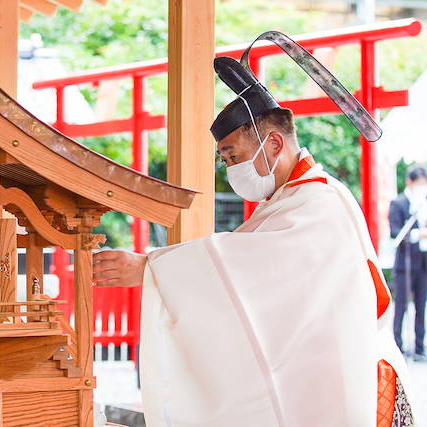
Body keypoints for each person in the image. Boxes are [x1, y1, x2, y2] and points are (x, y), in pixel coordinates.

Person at [93, 32, 413, 426]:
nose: (230, 168)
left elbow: (244, 267)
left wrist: (150, 268)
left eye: (233, 155)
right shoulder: (290, 201)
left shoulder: (318, 204)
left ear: (274, 144)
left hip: (348, 375)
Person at [389, 165, 427, 362]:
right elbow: (395, 233)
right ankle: (397, 346)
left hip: (422, 263)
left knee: (421, 305)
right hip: (405, 263)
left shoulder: (424, 204)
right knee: (401, 305)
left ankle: (420, 346)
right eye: (420, 184)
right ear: (409, 182)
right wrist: (418, 233)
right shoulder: (399, 203)